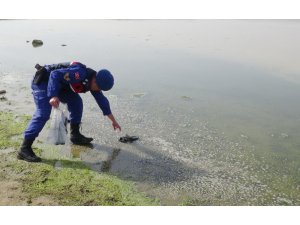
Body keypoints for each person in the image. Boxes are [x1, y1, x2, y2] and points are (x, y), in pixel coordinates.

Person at [17, 61, 121, 162]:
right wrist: (53, 95)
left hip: (61, 85)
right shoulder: (79, 73)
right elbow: (54, 74)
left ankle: (75, 135)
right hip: (44, 81)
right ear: (95, 80)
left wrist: (114, 121)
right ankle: (24, 148)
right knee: (43, 113)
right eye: (99, 87)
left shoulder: (94, 84)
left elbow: (103, 102)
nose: (98, 90)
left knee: (77, 102)